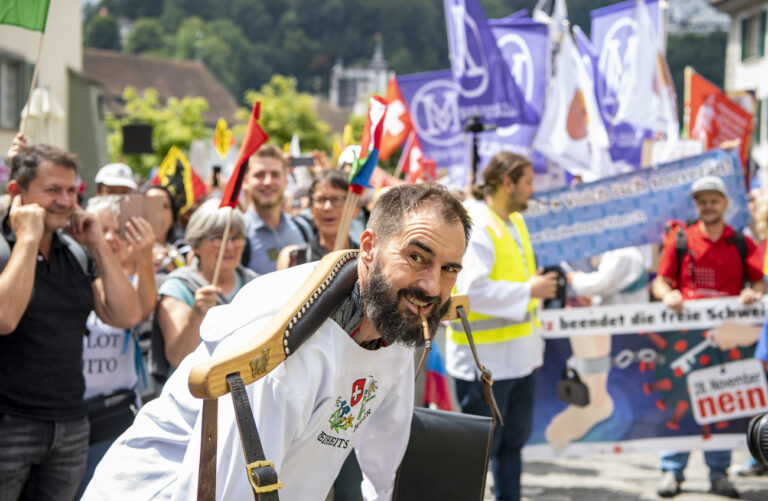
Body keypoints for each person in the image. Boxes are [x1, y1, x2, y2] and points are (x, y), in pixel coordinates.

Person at [82, 183, 471, 500]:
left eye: (449, 269)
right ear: (368, 247)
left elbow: (388, 456)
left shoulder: (396, 320)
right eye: (417, 257)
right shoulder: (281, 351)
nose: (432, 285)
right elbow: (230, 492)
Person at [0, 144, 141, 500]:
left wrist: (97, 245)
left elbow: (126, 315)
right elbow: (4, 318)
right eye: (52, 190)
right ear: (17, 192)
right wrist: (28, 238)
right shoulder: (4, 245)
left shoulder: (76, 252)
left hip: (71, 426)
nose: (65, 201)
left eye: (70, 191)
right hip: (9, 425)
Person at [445, 151, 557, 501]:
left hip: (518, 359)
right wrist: (530, 290)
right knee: (480, 454)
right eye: (527, 182)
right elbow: (471, 291)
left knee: (511, 447)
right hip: (484, 365)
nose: (532, 190)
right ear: (507, 182)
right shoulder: (477, 222)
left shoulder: (514, 220)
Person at [651, 175, 765, 498]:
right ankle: (672, 471)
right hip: (685, 339)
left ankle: (719, 474)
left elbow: (760, 282)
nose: (708, 206)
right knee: (681, 402)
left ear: (725, 204)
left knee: (720, 404)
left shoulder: (741, 242)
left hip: (726, 343)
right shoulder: (681, 240)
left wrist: (753, 294)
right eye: (702, 201)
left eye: (714, 200)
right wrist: (667, 296)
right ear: (696, 205)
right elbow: (660, 282)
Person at [75, 195, 158, 497]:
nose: (110, 237)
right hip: (72, 415)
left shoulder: (131, 282)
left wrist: (145, 256)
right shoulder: (69, 277)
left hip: (116, 414)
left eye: (117, 230)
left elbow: (145, 309)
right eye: (102, 229)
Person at [544, 247, 648, 450]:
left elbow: (600, 283)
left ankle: (597, 402)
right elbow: (605, 288)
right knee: (584, 332)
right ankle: (594, 401)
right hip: (610, 324)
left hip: (625, 330)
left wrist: (576, 280)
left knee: (586, 332)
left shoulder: (624, 253)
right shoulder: (616, 252)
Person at [154, 199, 259, 372]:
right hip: (195, 394)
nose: (230, 247)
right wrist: (197, 314)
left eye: (237, 237)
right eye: (218, 238)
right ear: (196, 245)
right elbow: (177, 358)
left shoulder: (254, 284)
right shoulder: (178, 288)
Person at [242, 144, 312, 274]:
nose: (268, 181)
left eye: (275, 174)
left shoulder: (303, 228)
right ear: (245, 181)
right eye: (260, 174)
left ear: (285, 180)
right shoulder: (237, 234)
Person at [277, 170, 358, 270]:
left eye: (336, 199)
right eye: (321, 200)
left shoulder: (366, 259)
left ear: (354, 208)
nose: (327, 207)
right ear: (311, 209)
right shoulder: (292, 259)